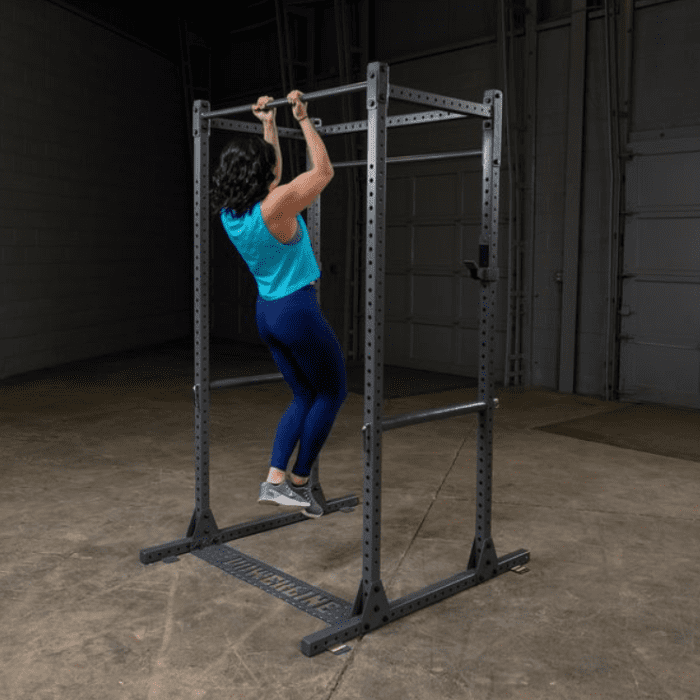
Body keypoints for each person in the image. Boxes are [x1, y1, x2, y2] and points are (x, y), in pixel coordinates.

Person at [210, 91, 348, 519]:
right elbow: (323, 172)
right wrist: (303, 120)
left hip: (268, 313)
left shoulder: (234, 215)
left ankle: (274, 481)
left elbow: (272, 177)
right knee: (332, 391)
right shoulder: (276, 206)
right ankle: (300, 483)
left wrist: (268, 126)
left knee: (303, 394)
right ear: (262, 174)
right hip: (297, 311)